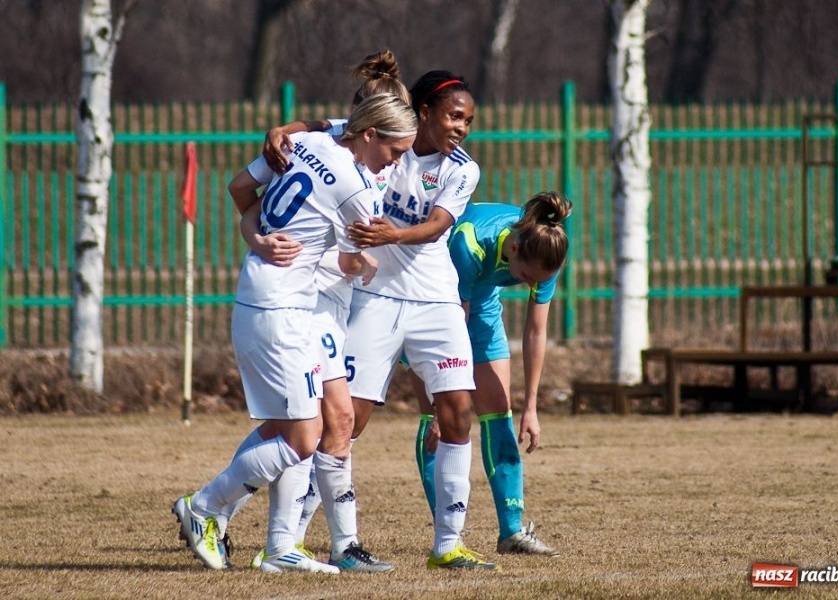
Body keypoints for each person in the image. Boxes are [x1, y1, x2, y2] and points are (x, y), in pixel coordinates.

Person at [172, 92, 418, 573]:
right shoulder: (355, 186)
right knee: (303, 439)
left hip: (281, 302)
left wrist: (255, 236)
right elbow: (351, 258)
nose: (398, 160)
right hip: (280, 309)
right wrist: (364, 265)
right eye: (395, 151)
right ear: (369, 134)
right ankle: (202, 506)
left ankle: (282, 547)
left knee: (302, 425)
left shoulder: (307, 138)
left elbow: (240, 188)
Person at [340, 70, 497, 571]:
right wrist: (286, 128)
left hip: (436, 303)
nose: (462, 128)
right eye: (454, 116)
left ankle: (448, 544)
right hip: (376, 300)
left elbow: (436, 227)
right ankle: (319, 543)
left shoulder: (461, 169)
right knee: (346, 422)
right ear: (425, 111)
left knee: (457, 413)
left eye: (468, 120)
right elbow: (335, 127)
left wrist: (392, 235)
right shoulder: (386, 141)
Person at [413, 192, 571, 558]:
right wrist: (440, 402)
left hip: (479, 305)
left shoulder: (548, 249)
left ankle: (512, 533)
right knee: (444, 420)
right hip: (430, 304)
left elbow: (535, 331)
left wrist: (531, 406)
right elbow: (453, 323)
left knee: (500, 412)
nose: (532, 284)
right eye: (527, 277)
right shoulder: (470, 242)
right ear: (514, 248)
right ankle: (449, 538)